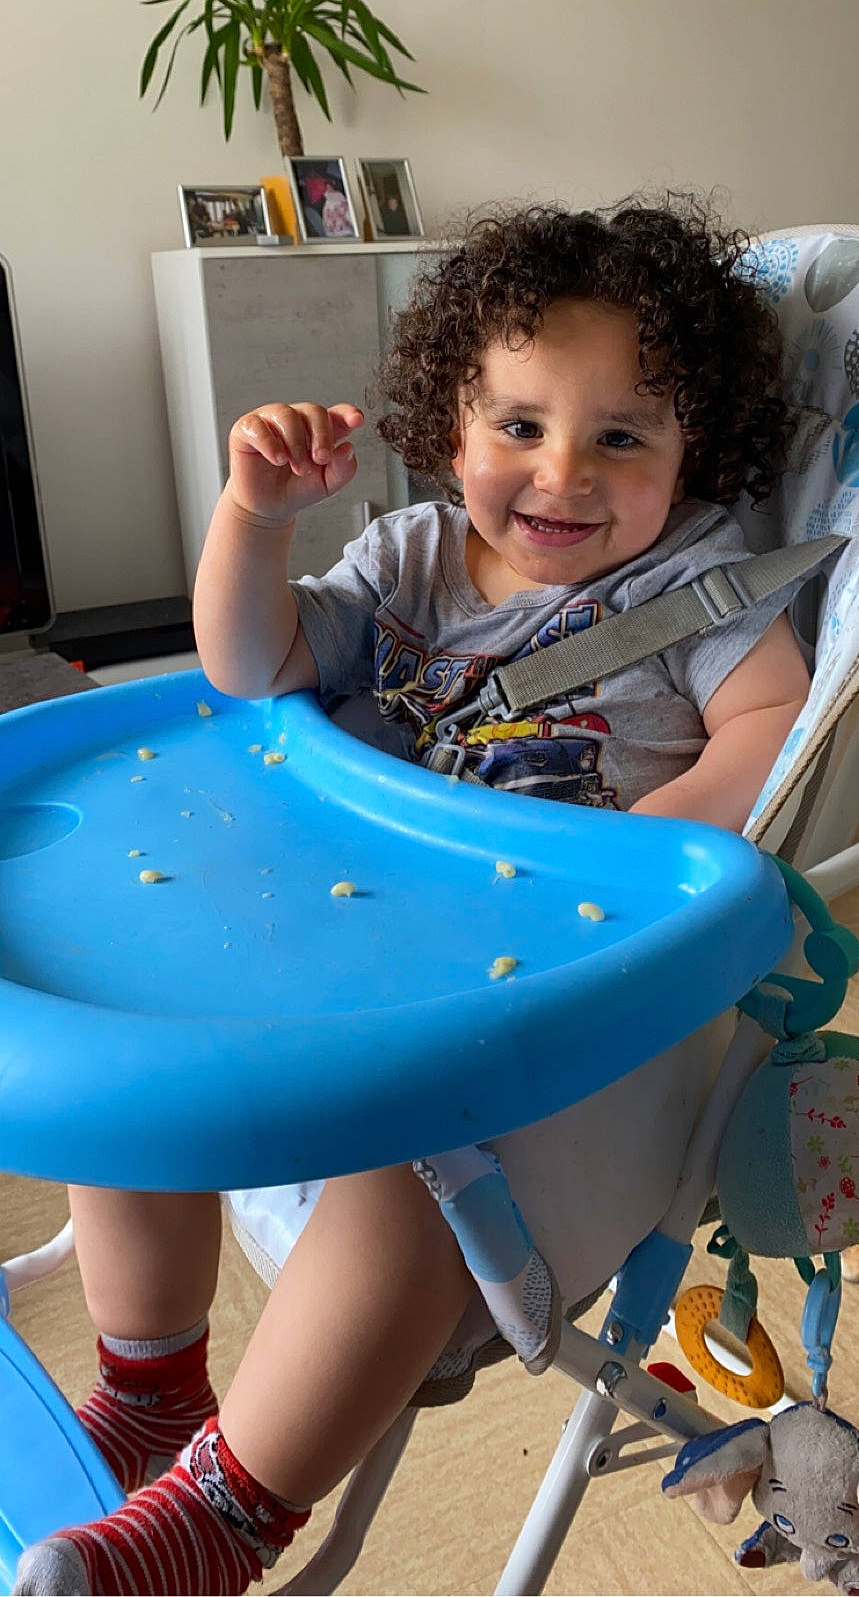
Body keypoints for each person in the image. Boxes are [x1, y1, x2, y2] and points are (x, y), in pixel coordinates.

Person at [16, 196, 813, 1596]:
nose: (561, 473)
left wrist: (647, 864)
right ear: (451, 431)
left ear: (697, 451)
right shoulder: (408, 562)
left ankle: (232, 1510)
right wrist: (252, 520)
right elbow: (251, 670)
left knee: (419, 1164)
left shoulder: (708, 588)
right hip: (341, 942)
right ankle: (148, 1383)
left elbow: (769, 732)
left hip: (538, 1003)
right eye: (519, 426)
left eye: (621, 436)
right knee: (135, 1036)